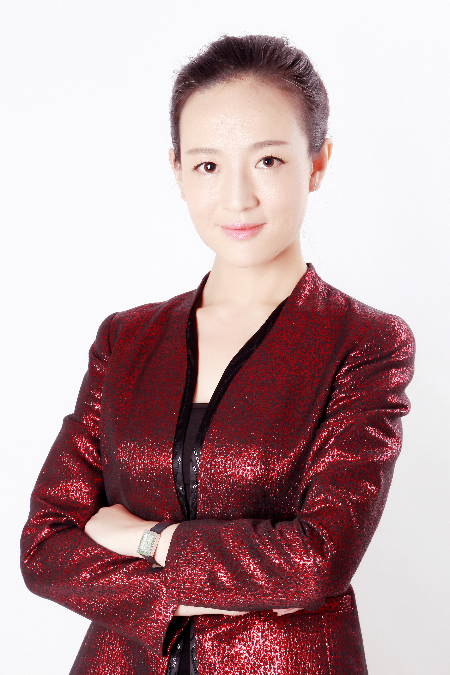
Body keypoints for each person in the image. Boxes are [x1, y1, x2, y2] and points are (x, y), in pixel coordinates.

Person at [20, 34, 415, 675]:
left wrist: (147, 539)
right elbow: (45, 546)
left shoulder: (363, 343)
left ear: (317, 163)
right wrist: (219, 586)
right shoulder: (127, 340)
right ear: (177, 172)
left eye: (268, 161)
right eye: (207, 166)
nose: (237, 198)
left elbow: (318, 561)